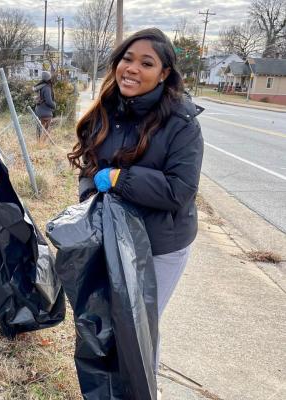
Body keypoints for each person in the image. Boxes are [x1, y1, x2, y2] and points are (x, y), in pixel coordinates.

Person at [67, 28, 204, 397]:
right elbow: (88, 171)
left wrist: (119, 178)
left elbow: (181, 190)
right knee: (110, 323)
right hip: (111, 238)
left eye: (147, 63)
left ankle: (143, 392)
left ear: (163, 74)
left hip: (160, 245)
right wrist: (89, 201)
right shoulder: (106, 109)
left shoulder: (182, 122)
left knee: (140, 330)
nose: (132, 68)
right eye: (127, 58)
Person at [33, 71, 56, 140]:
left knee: (39, 128)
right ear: (49, 78)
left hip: (38, 110)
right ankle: (43, 144)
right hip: (45, 112)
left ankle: (38, 143)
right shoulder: (47, 88)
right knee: (46, 130)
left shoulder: (39, 86)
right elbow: (49, 101)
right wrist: (54, 105)